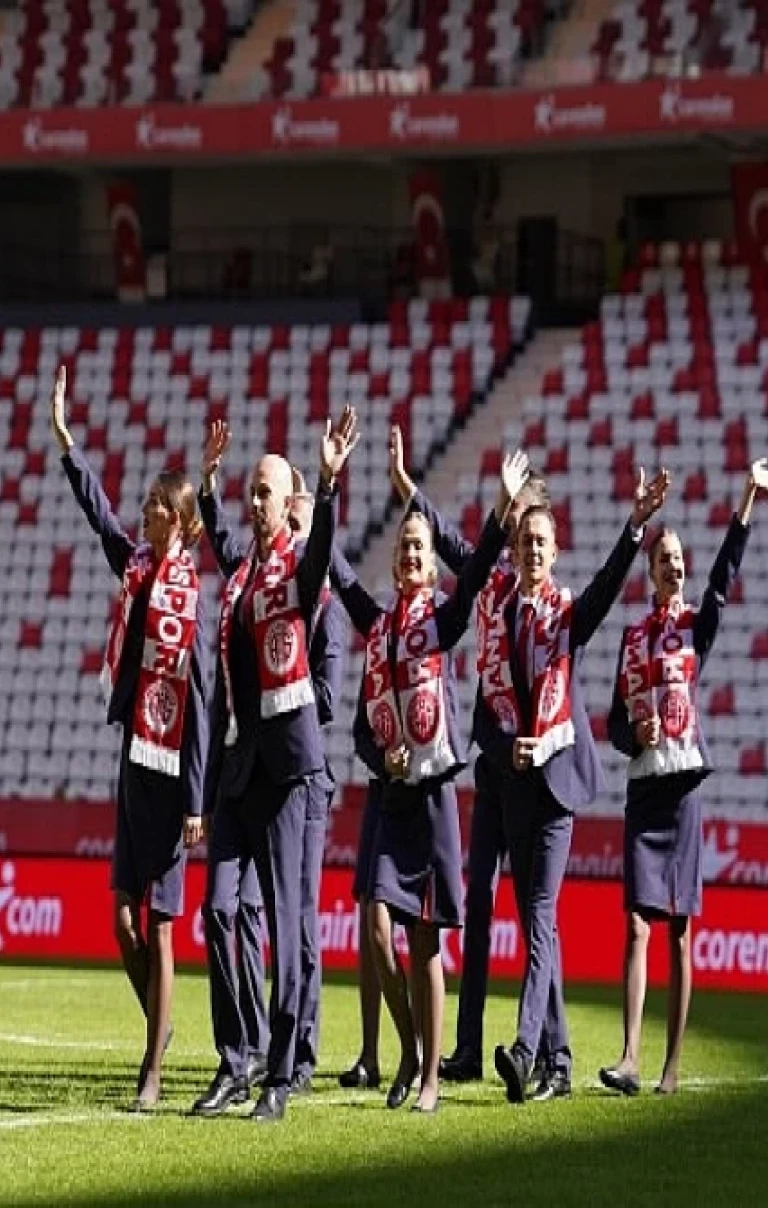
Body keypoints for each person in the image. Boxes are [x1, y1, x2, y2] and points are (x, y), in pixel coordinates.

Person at [331, 448, 530, 1114]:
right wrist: (324, 497)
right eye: (404, 548)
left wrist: (501, 510)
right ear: (392, 563)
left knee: (424, 942)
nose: (413, 555)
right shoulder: (376, 624)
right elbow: (362, 727)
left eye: (420, 547)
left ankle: (428, 1080)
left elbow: (473, 575)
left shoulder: (443, 621)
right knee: (375, 922)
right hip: (393, 795)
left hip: (438, 791)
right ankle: (412, 1047)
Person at [191, 406, 359, 1124]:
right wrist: (206, 479)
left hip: (292, 767)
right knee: (219, 911)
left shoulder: (298, 568)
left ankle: (283, 1076)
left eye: (267, 492)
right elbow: (222, 543)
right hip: (239, 768)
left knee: (290, 928)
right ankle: (239, 1058)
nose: (254, 503)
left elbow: (320, 554)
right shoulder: (238, 578)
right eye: (249, 491)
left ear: (286, 503)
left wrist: (325, 484)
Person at [599, 458, 768, 1097]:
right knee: (634, 923)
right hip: (643, 787)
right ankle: (628, 1057)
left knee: (679, 932)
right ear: (650, 574)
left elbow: (724, 581)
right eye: (665, 561)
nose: (674, 569)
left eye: (680, 561)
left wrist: (745, 505)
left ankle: (672, 1068)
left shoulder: (692, 629)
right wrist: (635, 735)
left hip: (683, 788)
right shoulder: (631, 638)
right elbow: (613, 726)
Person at [51, 365, 208, 1111]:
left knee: (164, 924)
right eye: (145, 501)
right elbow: (100, 517)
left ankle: (152, 1074)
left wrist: (198, 799)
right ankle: (161, 1029)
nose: (143, 510)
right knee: (121, 918)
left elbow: (203, 704)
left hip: (173, 768)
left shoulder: (189, 596)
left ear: (180, 522)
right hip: (131, 756)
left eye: (157, 505)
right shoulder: (138, 568)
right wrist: (67, 445)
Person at [489, 467, 670, 1104]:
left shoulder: (567, 614)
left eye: (543, 543)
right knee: (539, 925)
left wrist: (634, 527)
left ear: (554, 551)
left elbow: (604, 589)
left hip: (560, 781)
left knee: (539, 914)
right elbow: (498, 697)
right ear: (513, 553)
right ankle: (560, 1062)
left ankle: (524, 1047)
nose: (533, 551)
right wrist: (508, 740)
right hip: (518, 783)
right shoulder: (504, 614)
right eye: (524, 543)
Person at [388, 426, 556, 1089]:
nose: (513, 535)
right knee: (481, 903)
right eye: (510, 521)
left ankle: (548, 1050)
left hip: (532, 767)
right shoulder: (486, 580)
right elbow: (454, 542)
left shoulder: (532, 598)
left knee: (534, 911)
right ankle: (466, 1045)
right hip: (490, 763)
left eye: (522, 521)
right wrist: (405, 487)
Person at [223, 458, 348, 1096]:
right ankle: (254, 1048)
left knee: (296, 919)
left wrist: (291, 701)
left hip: (303, 769)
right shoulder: (252, 582)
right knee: (246, 911)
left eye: (294, 510)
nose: (287, 524)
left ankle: (297, 1056)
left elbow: (327, 692)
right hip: (253, 765)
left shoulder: (316, 601)